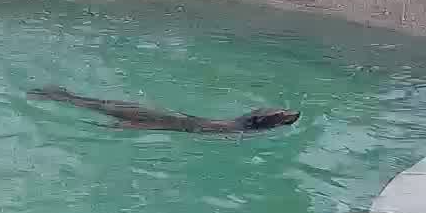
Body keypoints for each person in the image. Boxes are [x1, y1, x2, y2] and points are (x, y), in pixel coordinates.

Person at [28, 86, 298, 132]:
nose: (287, 117)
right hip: (169, 120)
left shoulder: (235, 126)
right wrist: (132, 127)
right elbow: (177, 127)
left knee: (101, 106)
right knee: (101, 107)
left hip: (167, 117)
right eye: (280, 117)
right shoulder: (230, 130)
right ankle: (59, 97)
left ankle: (60, 96)